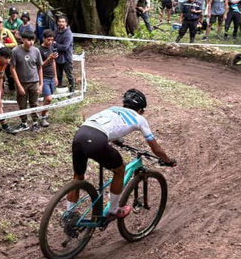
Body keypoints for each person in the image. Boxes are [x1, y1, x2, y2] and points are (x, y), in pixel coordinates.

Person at [69, 89, 175, 220]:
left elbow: (105, 125)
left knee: (78, 177)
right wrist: (168, 160)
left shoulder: (113, 109)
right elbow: (156, 149)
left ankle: (69, 215)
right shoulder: (139, 119)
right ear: (141, 109)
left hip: (80, 135)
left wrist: (116, 140)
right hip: (96, 141)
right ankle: (113, 210)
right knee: (120, 170)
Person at [7, 31, 44, 133]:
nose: (31, 42)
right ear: (23, 40)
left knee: (34, 103)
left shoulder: (36, 51)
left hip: (34, 81)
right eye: (28, 40)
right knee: (22, 104)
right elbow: (12, 69)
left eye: (32, 40)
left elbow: (40, 67)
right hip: (22, 82)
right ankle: (24, 123)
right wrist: (18, 85)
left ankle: (35, 122)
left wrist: (41, 84)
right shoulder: (15, 51)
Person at [38, 30, 58, 127]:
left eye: (51, 40)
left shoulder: (51, 47)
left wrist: (56, 76)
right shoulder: (39, 50)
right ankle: (42, 118)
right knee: (48, 98)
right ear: (43, 38)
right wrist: (48, 59)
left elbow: (53, 62)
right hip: (44, 77)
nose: (50, 42)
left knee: (47, 99)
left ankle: (44, 113)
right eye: (48, 40)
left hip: (51, 77)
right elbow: (39, 66)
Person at [54, 15, 75, 92]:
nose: (61, 23)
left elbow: (65, 47)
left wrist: (56, 44)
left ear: (66, 23)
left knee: (69, 76)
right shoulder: (56, 31)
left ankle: (72, 91)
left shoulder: (68, 33)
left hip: (66, 58)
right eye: (59, 21)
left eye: (63, 22)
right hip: (57, 57)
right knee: (58, 76)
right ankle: (59, 91)